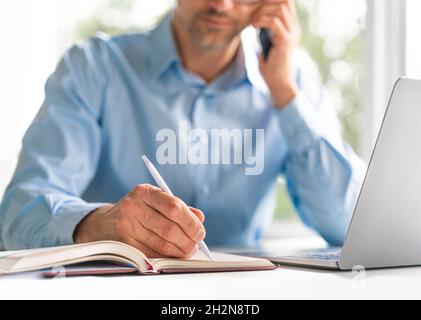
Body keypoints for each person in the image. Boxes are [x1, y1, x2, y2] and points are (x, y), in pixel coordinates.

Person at [0, 0, 366, 257]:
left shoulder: (292, 80)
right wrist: (101, 225)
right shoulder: (93, 69)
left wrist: (285, 95)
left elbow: (350, 225)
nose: (221, 4)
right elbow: (18, 215)